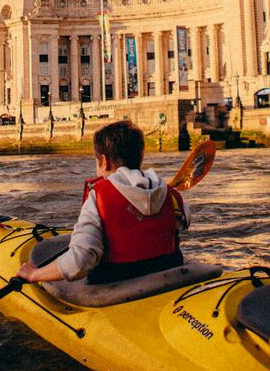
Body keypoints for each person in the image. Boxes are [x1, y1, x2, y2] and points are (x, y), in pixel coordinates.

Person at [17, 120, 190, 285]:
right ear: (140, 156)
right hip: (167, 273)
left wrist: (34, 274)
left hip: (116, 281)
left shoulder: (98, 196)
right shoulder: (170, 195)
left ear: (104, 161)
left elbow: (80, 261)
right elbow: (181, 222)